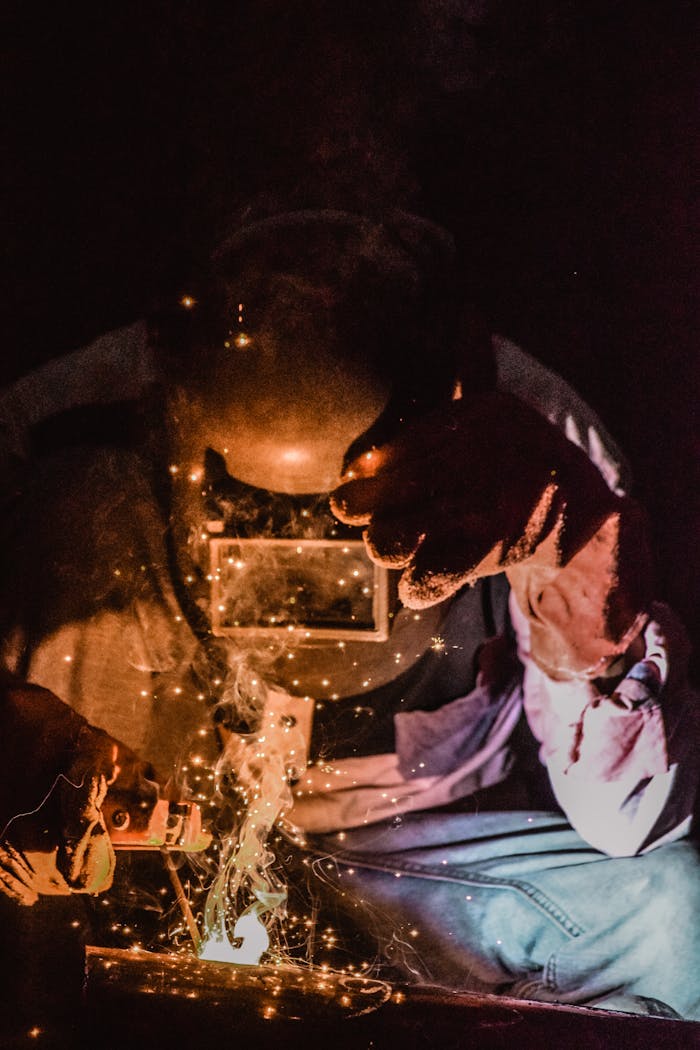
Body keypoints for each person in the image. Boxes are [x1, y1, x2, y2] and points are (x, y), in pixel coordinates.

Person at [0, 209, 698, 1022]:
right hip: (120, 849)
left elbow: (630, 824)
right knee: (77, 508)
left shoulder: (540, 449)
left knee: (674, 914)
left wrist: (588, 620)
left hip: (402, 852)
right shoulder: (55, 427)